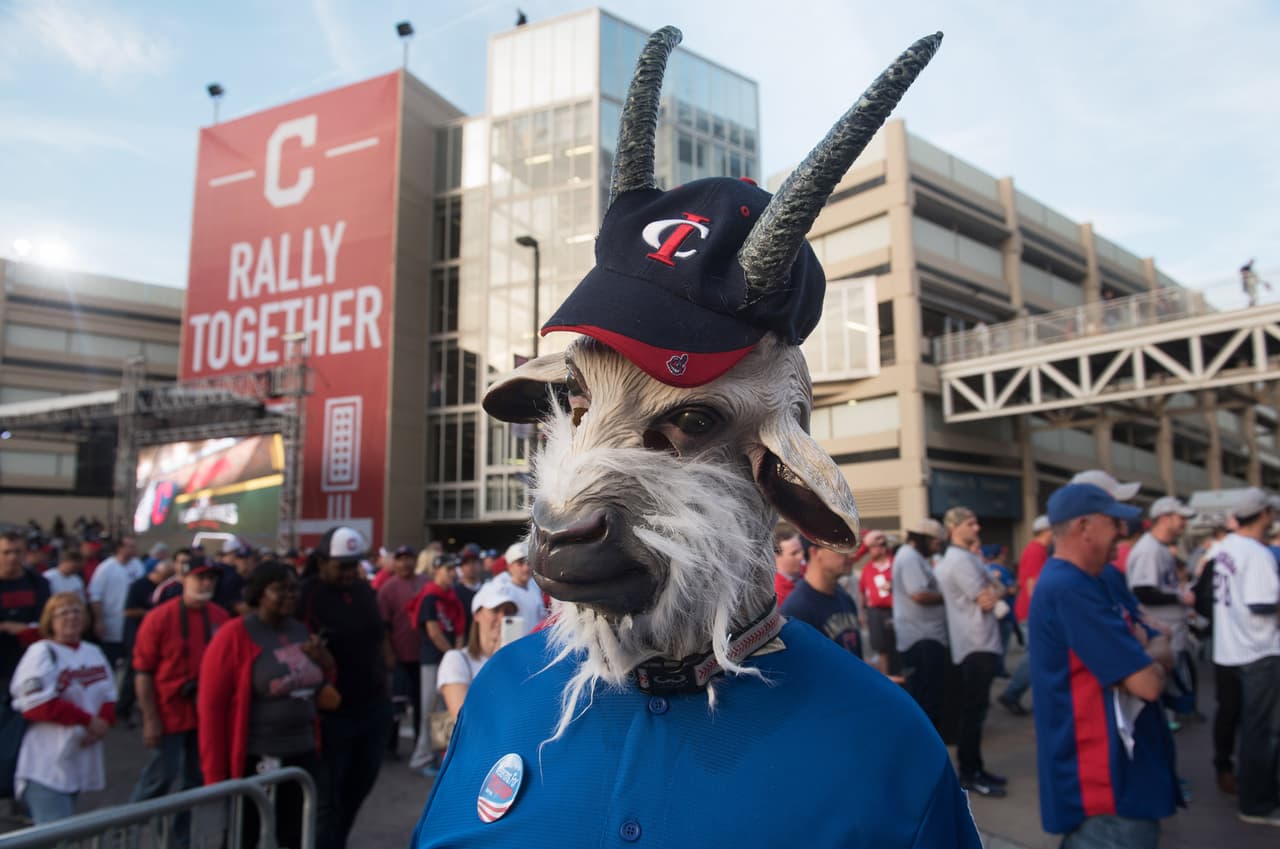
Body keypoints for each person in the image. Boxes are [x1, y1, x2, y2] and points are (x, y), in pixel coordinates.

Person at [1031, 483, 1179, 848]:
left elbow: (1151, 646)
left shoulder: (1084, 582)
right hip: (1104, 783)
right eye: (1114, 522)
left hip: (1113, 776)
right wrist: (1153, 656)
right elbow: (1147, 682)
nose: (1122, 533)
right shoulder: (1070, 588)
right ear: (1084, 527)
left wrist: (1150, 652)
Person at [199, 561, 330, 849]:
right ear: (259, 593)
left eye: (294, 589)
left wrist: (323, 661)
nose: (290, 595)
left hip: (303, 754)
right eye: (280, 589)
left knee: (296, 836)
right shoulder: (233, 637)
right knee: (245, 836)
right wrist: (215, 779)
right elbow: (211, 711)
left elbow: (322, 683)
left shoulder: (300, 630)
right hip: (257, 759)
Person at [298, 526, 393, 849]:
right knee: (328, 798)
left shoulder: (365, 591)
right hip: (333, 716)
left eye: (355, 565)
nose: (350, 572)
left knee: (358, 787)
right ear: (323, 562)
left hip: (373, 707)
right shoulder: (305, 595)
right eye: (343, 566)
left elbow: (379, 637)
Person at [131, 555, 228, 833]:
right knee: (159, 778)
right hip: (168, 712)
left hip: (203, 715)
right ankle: (123, 834)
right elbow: (143, 672)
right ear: (184, 578)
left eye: (211, 578)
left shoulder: (220, 617)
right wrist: (150, 718)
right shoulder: (160, 618)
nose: (206, 583)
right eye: (200, 577)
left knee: (195, 781)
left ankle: (178, 838)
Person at [9, 592, 115, 823]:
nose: (71, 617)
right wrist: (88, 721)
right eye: (63, 613)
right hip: (45, 761)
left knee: (61, 831)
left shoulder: (93, 651)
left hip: (79, 756)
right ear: (50, 620)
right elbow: (35, 704)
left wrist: (103, 722)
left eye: (76, 611)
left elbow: (109, 694)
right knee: (56, 835)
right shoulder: (41, 651)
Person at [1212, 487, 1280, 825]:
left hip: (1232, 649)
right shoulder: (1257, 553)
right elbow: (1262, 604)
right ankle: (1257, 804)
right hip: (1260, 649)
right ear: (1264, 514)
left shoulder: (1226, 546)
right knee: (1263, 732)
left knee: (1253, 729)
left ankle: (1257, 798)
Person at [935, 507, 1007, 798]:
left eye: (976, 522)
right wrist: (996, 588)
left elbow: (997, 589)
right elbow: (989, 598)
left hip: (979, 641)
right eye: (970, 523)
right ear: (954, 528)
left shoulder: (964, 558)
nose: (977, 527)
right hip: (976, 642)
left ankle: (975, 766)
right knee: (973, 713)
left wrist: (996, 588)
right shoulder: (960, 561)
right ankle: (969, 772)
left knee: (976, 712)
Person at [1127, 495, 1197, 720]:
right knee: (1162, 683)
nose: (1184, 523)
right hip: (1159, 630)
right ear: (1165, 518)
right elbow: (1142, 590)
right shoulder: (1149, 549)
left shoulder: (1161, 547)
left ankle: (1174, 715)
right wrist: (1179, 597)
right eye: (1180, 518)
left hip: (1170, 628)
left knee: (1175, 678)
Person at [0, 530, 51, 806]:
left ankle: (18, 796)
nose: (12, 558)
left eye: (17, 552)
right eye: (6, 552)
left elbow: (47, 623)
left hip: (28, 670)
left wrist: (26, 630)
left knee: (23, 737)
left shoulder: (37, 583)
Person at [408, 553, 464, 774]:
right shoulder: (430, 596)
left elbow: (458, 627)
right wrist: (452, 654)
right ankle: (421, 758)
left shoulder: (451, 595)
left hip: (447, 657)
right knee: (429, 708)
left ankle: (438, 757)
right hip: (433, 659)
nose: (453, 573)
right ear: (437, 570)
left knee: (441, 712)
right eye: (448, 569)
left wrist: (456, 652)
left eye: (453, 569)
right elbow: (433, 631)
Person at [892, 517, 949, 731]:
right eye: (935, 542)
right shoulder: (909, 558)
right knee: (926, 695)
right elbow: (919, 594)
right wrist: (947, 596)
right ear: (924, 539)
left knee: (929, 693)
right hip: (921, 638)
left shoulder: (915, 557)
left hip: (926, 635)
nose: (937, 547)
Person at [437, 581, 519, 722]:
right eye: (495, 610)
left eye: (508, 612)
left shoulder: (516, 660)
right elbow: (464, 719)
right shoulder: (455, 659)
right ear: (477, 614)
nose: (502, 618)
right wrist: (497, 661)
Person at [377, 544, 426, 761]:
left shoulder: (425, 583)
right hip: (397, 655)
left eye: (409, 558)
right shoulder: (387, 588)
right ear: (394, 562)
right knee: (395, 703)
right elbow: (383, 626)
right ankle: (390, 746)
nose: (405, 562)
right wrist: (388, 653)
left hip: (423, 655)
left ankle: (419, 743)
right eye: (401, 558)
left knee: (420, 703)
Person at [118, 556, 175, 727]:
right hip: (136, 635)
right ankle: (123, 710)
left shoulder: (165, 589)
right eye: (166, 576)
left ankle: (145, 711)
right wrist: (153, 616)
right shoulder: (139, 586)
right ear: (156, 572)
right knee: (134, 674)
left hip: (157, 638)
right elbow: (128, 611)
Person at [780, 542, 862, 657]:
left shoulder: (846, 599)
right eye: (841, 548)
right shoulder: (796, 610)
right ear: (815, 552)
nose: (851, 555)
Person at [87, 538, 137, 669]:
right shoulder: (106, 568)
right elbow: (95, 596)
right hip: (112, 623)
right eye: (130, 546)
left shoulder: (137, 565)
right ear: (120, 549)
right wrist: (98, 620)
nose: (133, 549)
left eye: (133, 546)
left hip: (133, 624)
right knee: (111, 662)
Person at [857, 530, 896, 675]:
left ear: (881, 547)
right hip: (875, 613)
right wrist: (861, 612)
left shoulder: (895, 564)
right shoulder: (867, 568)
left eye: (872, 547)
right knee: (881, 649)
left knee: (895, 647)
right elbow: (862, 591)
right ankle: (886, 678)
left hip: (893, 611)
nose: (869, 551)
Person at [492, 541, 547, 638]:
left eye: (528, 563)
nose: (526, 568)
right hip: (514, 646)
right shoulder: (504, 592)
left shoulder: (535, 587)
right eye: (520, 563)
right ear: (510, 567)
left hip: (534, 643)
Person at [772, 523, 805, 607]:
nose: (801, 557)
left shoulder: (809, 570)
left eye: (800, 550)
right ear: (776, 556)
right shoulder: (776, 595)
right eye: (794, 553)